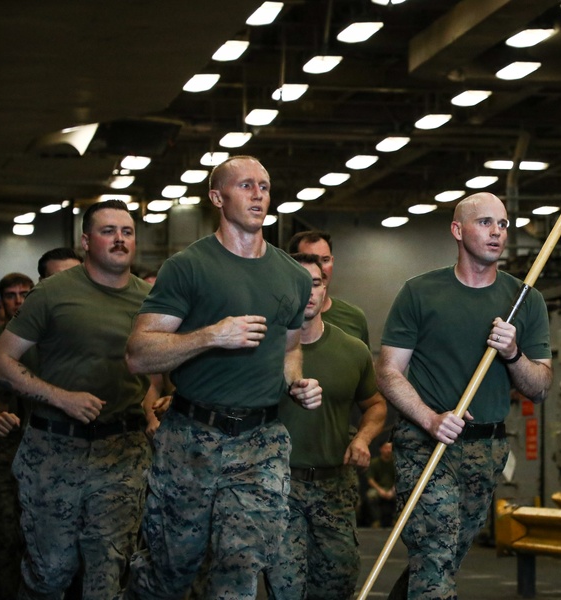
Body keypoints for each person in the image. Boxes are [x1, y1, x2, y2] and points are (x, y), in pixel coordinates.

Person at [122, 155, 321, 599]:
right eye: (246, 185)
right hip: (192, 438)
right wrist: (212, 335)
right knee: (171, 570)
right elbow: (138, 354)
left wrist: (296, 382)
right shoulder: (187, 266)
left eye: (265, 187)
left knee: (241, 567)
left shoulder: (292, 275)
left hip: (261, 441)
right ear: (217, 196)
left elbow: (290, 349)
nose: (258, 195)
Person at [376, 192, 553, 599]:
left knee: (443, 558)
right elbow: (387, 373)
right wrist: (429, 418)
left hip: (486, 451)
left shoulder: (525, 300)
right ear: (458, 230)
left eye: (504, 224)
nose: (497, 232)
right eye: (485, 222)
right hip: (426, 444)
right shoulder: (420, 293)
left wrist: (513, 353)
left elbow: (540, 387)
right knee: (435, 551)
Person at [0, 200, 160, 599]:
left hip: (122, 449)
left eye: (127, 232)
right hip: (54, 449)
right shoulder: (52, 293)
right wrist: (61, 398)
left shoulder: (150, 299)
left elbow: (155, 373)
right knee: (51, 572)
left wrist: (155, 405)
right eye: (108, 231)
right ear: (86, 241)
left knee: (107, 573)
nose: (120, 239)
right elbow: (0, 362)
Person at [265, 253, 387, 600]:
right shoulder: (264, 349)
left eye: (315, 284)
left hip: (335, 487)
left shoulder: (352, 350)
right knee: (286, 589)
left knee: (339, 583)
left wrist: (363, 438)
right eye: (298, 284)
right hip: (279, 487)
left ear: (324, 288)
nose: (307, 292)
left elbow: (376, 404)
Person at [0, 272, 34, 599]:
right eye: (10, 295)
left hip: (44, 450)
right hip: (2, 453)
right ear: (0, 301)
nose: (18, 301)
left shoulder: (45, 339)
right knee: (4, 537)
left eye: (24, 293)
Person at [287, 230, 370, 346]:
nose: (320, 268)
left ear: (332, 261)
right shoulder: (278, 318)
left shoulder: (354, 318)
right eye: (311, 260)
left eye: (325, 260)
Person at [365, 441, 396, 528]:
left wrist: (392, 491)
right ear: (381, 449)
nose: (388, 450)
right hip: (379, 489)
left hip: (393, 489)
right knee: (371, 495)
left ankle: (397, 520)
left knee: (403, 495)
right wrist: (380, 490)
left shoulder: (396, 463)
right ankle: (376, 520)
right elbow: (370, 479)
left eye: (390, 448)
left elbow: (399, 479)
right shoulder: (374, 462)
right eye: (386, 448)